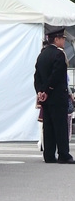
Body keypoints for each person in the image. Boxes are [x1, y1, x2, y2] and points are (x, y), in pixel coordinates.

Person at [34, 27, 75, 163]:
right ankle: (64, 154)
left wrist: (40, 91)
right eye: (62, 38)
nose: (64, 41)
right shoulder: (59, 54)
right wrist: (48, 90)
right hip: (56, 96)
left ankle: (49, 155)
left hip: (46, 97)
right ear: (56, 39)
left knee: (49, 126)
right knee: (60, 126)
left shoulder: (42, 54)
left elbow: (37, 76)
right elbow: (57, 75)